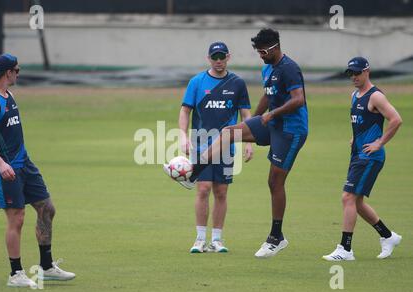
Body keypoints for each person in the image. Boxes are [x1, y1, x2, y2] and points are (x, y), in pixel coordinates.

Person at [166, 28, 309, 259]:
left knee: (274, 181)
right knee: (228, 132)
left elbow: (298, 100)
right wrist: (255, 119)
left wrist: (272, 115)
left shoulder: (290, 68)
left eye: (263, 52)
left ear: (274, 48)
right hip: (272, 124)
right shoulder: (267, 68)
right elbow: (267, 96)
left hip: (291, 131)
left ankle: (276, 237)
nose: (261, 56)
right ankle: (194, 173)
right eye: (259, 52)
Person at [0, 53, 75, 287]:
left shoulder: (9, 94)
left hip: (25, 164)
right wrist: (1, 164)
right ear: (7, 72)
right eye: (17, 70)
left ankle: (46, 266)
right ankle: (15, 274)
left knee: (47, 209)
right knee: (17, 218)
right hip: (6, 169)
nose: (18, 74)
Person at [164, 42, 253, 253]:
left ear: (229, 57)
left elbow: (246, 115)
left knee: (221, 191)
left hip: (227, 147)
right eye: (215, 57)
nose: (219, 60)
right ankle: (200, 239)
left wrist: (249, 142)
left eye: (222, 56)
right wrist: (183, 136)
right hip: (201, 145)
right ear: (209, 59)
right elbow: (185, 111)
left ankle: (217, 240)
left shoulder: (237, 83)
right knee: (203, 189)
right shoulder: (197, 82)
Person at [323, 57, 402, 261]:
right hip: (357, 154)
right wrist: (355, 137)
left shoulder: (376, 97)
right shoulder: (354, 95)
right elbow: (364, 123)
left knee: (347, 197)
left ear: (367, 71)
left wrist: (379, 143)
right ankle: (388, 236)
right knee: (356, 202)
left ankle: (345, 249)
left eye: (357, 72)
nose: (354, 77)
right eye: (350, 73)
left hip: (370, 156)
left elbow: (396, 120)